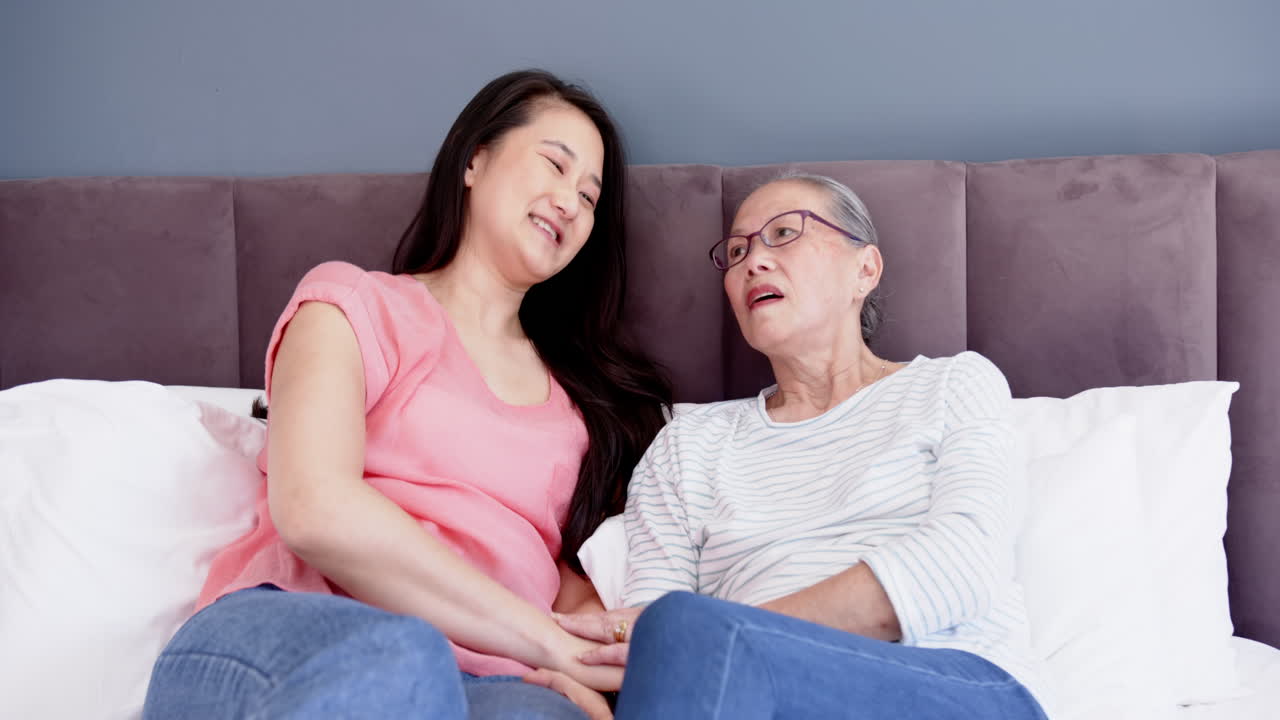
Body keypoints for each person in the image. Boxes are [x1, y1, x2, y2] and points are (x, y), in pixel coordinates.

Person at [142, 69, 671, 720]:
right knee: (400, 662)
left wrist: (609, 646)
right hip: (296, 629)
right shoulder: (353, 305)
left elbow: (561, 586)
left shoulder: (580, 411)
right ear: (475, 159)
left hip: (492, 680)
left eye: (590, 197)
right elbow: (315, 508)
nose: (570, 201)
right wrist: (543, 642)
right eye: (555, 166)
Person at [554, 173, 1053, 719]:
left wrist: (736, 636)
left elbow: (963, 563)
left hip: (954, 685)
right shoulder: (687, 445)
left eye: (785, 233)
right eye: (739, 249)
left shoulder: (953, 385)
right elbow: (648, 639)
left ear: (864, 269)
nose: (754, 261)